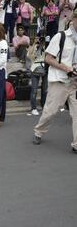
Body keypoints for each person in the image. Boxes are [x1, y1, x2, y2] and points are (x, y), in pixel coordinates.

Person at [33, 10, 77, 153]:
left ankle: (76, 144)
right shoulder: (61, 36)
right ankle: (39, 131)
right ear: (73, 19)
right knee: (50, 112)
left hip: (75, 83)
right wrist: (66, 68)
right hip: (60, 81)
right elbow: (48, 58)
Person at [26, 36, 48, 116]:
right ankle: (33, 108)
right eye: (37, 38)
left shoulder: (47, 45)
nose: (39, 40)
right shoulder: (33, 46)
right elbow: (29, 56)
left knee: (45, 89)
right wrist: (35, 44)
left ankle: (44, 106)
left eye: (41, 38)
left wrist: (44, 44)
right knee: (34, 90)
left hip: (45, 69)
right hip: (35, 69)